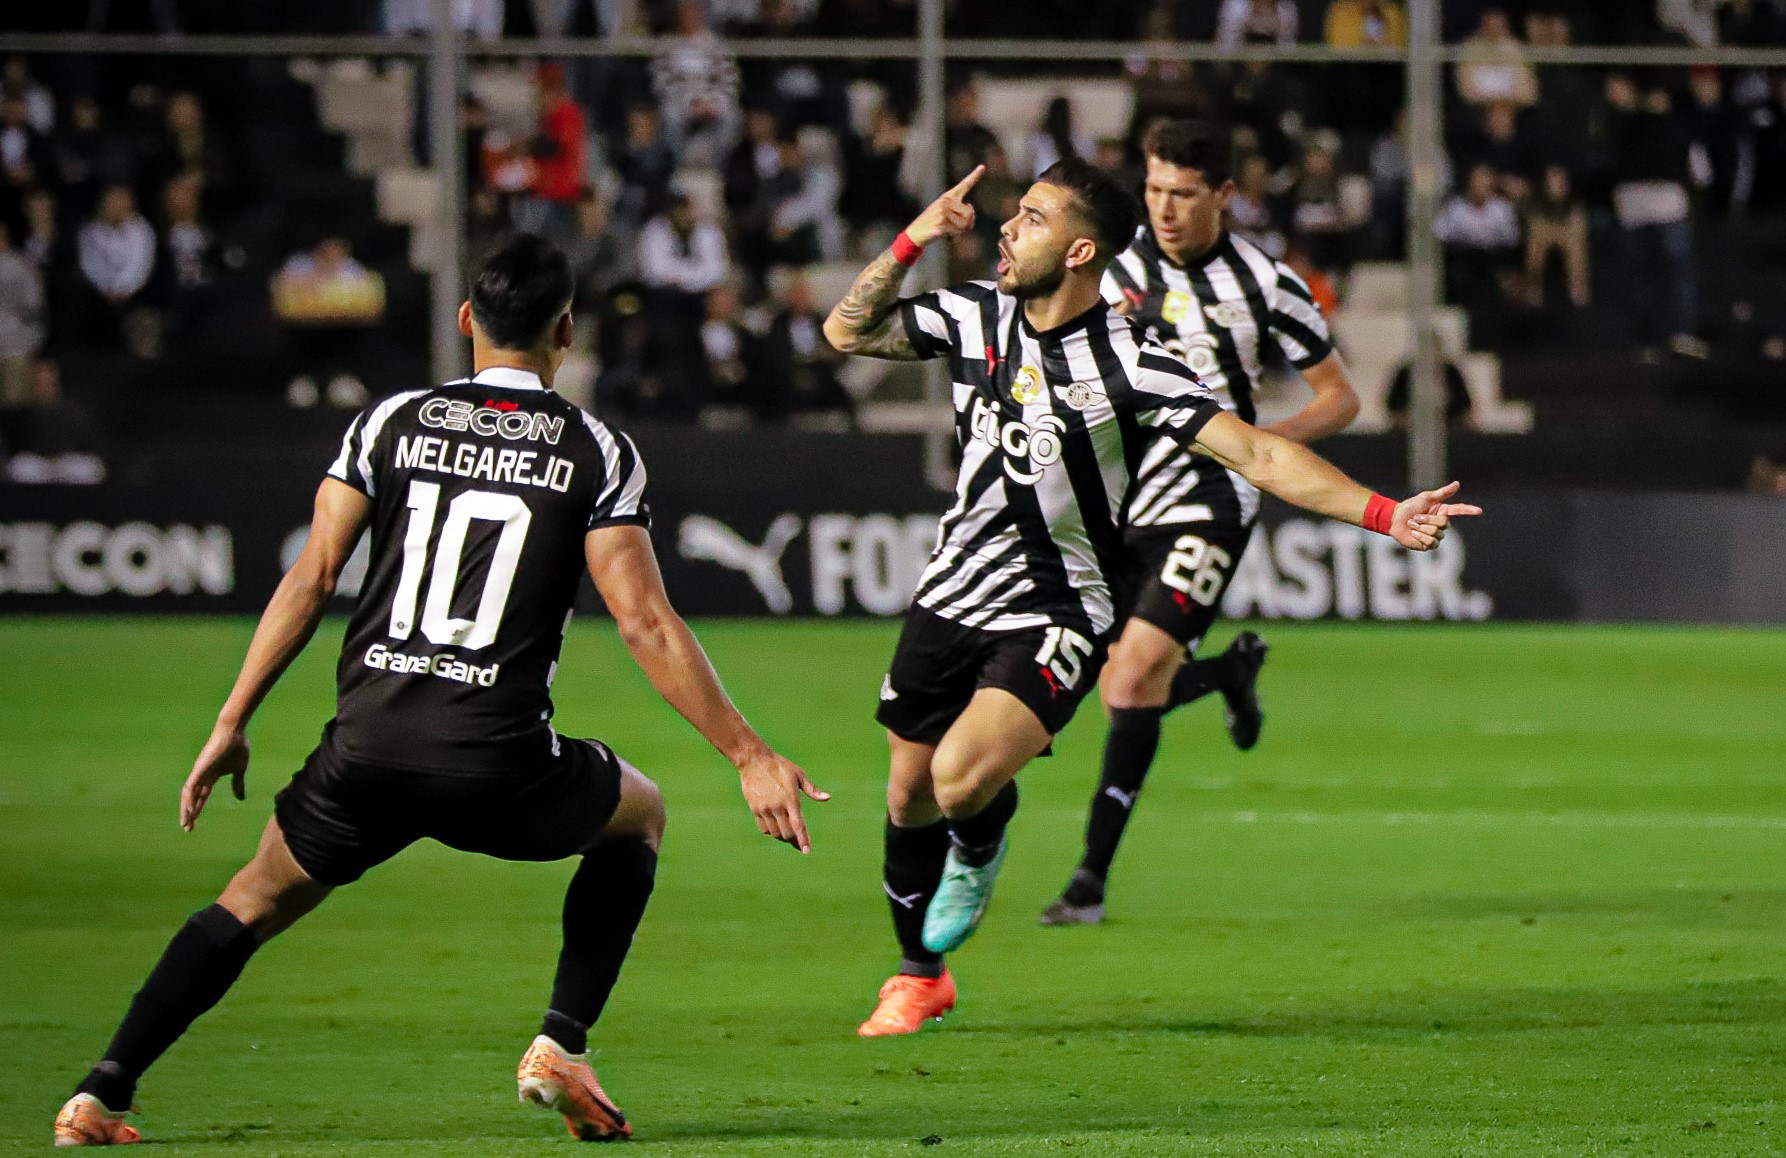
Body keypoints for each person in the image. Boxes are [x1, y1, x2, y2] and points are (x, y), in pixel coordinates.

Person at [52, 234, 826, 1147]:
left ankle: (100, 1096)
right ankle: (562, 1043)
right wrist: (748, 752)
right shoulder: (594, 449)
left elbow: (313, 577)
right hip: (496, 761)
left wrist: (232, 720)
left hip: (368, 748)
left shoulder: (391, 422)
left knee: (251, 901)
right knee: (641, 813)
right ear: (567, 331)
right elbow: (644, 622)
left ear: (467, 321)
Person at [823, 156, 1477, 1034]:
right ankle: (920, 973)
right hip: (950, 592)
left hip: (1060, 604)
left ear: (1082, 249)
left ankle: (978, 847)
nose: (1009, 229)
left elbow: (1259, 454)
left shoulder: (1135, 363)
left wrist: (1386, 513)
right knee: (906, 799)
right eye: (1014, 213)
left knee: (958, 777)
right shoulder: (977, 312)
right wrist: (912, 239)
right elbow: (846, 332)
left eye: (1033, 217)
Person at [1038, 120, 1363, 926]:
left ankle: (1088, 880)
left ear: (1224, 195)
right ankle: (1226, 674)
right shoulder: (1117, 265)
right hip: (1119, 501)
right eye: (1154, 191)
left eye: (1184, 194)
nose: (1166, 209)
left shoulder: (1266, 283)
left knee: (1129, 676)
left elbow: (1339, 396)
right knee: (1110, 682)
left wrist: (1257, 451)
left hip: (1210, 505)